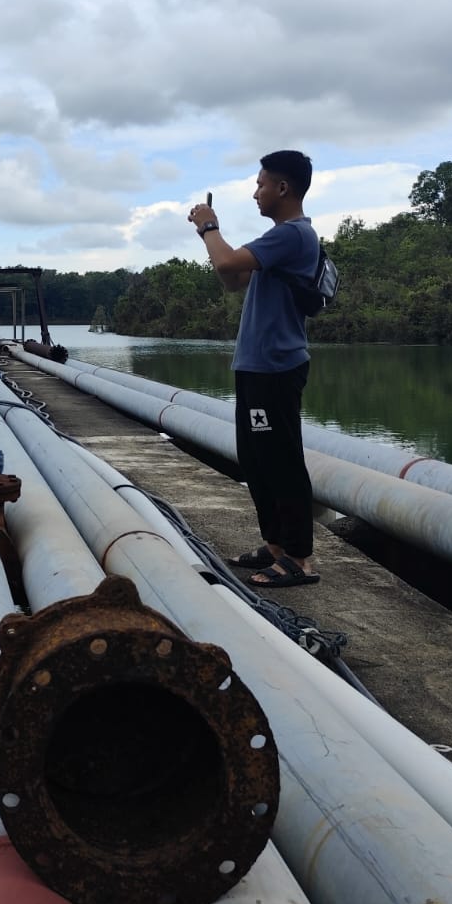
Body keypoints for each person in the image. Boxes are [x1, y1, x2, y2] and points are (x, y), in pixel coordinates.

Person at [187, 150, 322, 588]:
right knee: (257, 459)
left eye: (262, 184)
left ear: (283, 188)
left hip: (276, 369)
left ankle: (299, 559)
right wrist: (210, 238)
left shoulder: (294, 235)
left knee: (281, 460)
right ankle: (276, 547)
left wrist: (209, 226)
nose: (255, 192)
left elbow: (226, 261)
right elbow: (232, 279)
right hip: (256, 367)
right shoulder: (276, 239)